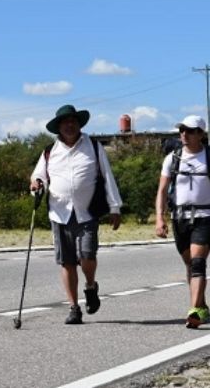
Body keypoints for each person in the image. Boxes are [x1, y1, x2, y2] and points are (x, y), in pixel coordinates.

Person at [30, 104, 122, 325]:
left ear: (79, 124)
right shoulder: (49, 151)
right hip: (59, 214)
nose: (69, 125)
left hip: (87, 211)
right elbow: (37, 177)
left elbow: (107, 176)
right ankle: (73, 308)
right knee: (67, 262)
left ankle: (90, 286)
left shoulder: (93, 146)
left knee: (87, 256)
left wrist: (115, 207)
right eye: (64, 122)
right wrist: (36, 184)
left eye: (73, 121)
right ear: (59, 127)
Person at [155, 115, 210, 329]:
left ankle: (194, 310)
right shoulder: (172, 158)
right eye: (182, 130)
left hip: (204, 217)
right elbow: (161, 191)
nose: (184, 134)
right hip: (179, 218)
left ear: (200, 134)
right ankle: (202, 306)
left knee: (198, 263)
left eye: (189, 130)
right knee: (189, 264)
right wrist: (159, 218)